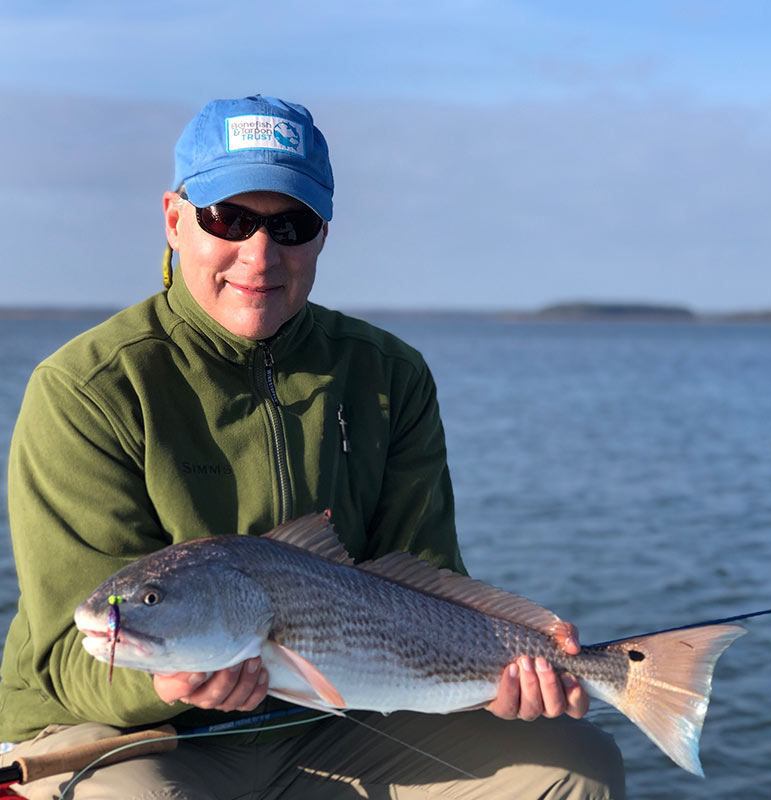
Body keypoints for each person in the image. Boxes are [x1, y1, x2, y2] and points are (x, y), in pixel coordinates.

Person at [0, 95, 624, 799]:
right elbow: (65, 653)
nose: (260, 255)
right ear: (175, 221)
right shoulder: (87, 388)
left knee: (577, 767)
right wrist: (170, 682)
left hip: (336, 719)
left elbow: (427, 579)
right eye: (229, 219)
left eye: (291, 224)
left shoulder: (390, 374)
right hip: (134, 733)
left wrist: (508, 675)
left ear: (323, 234)